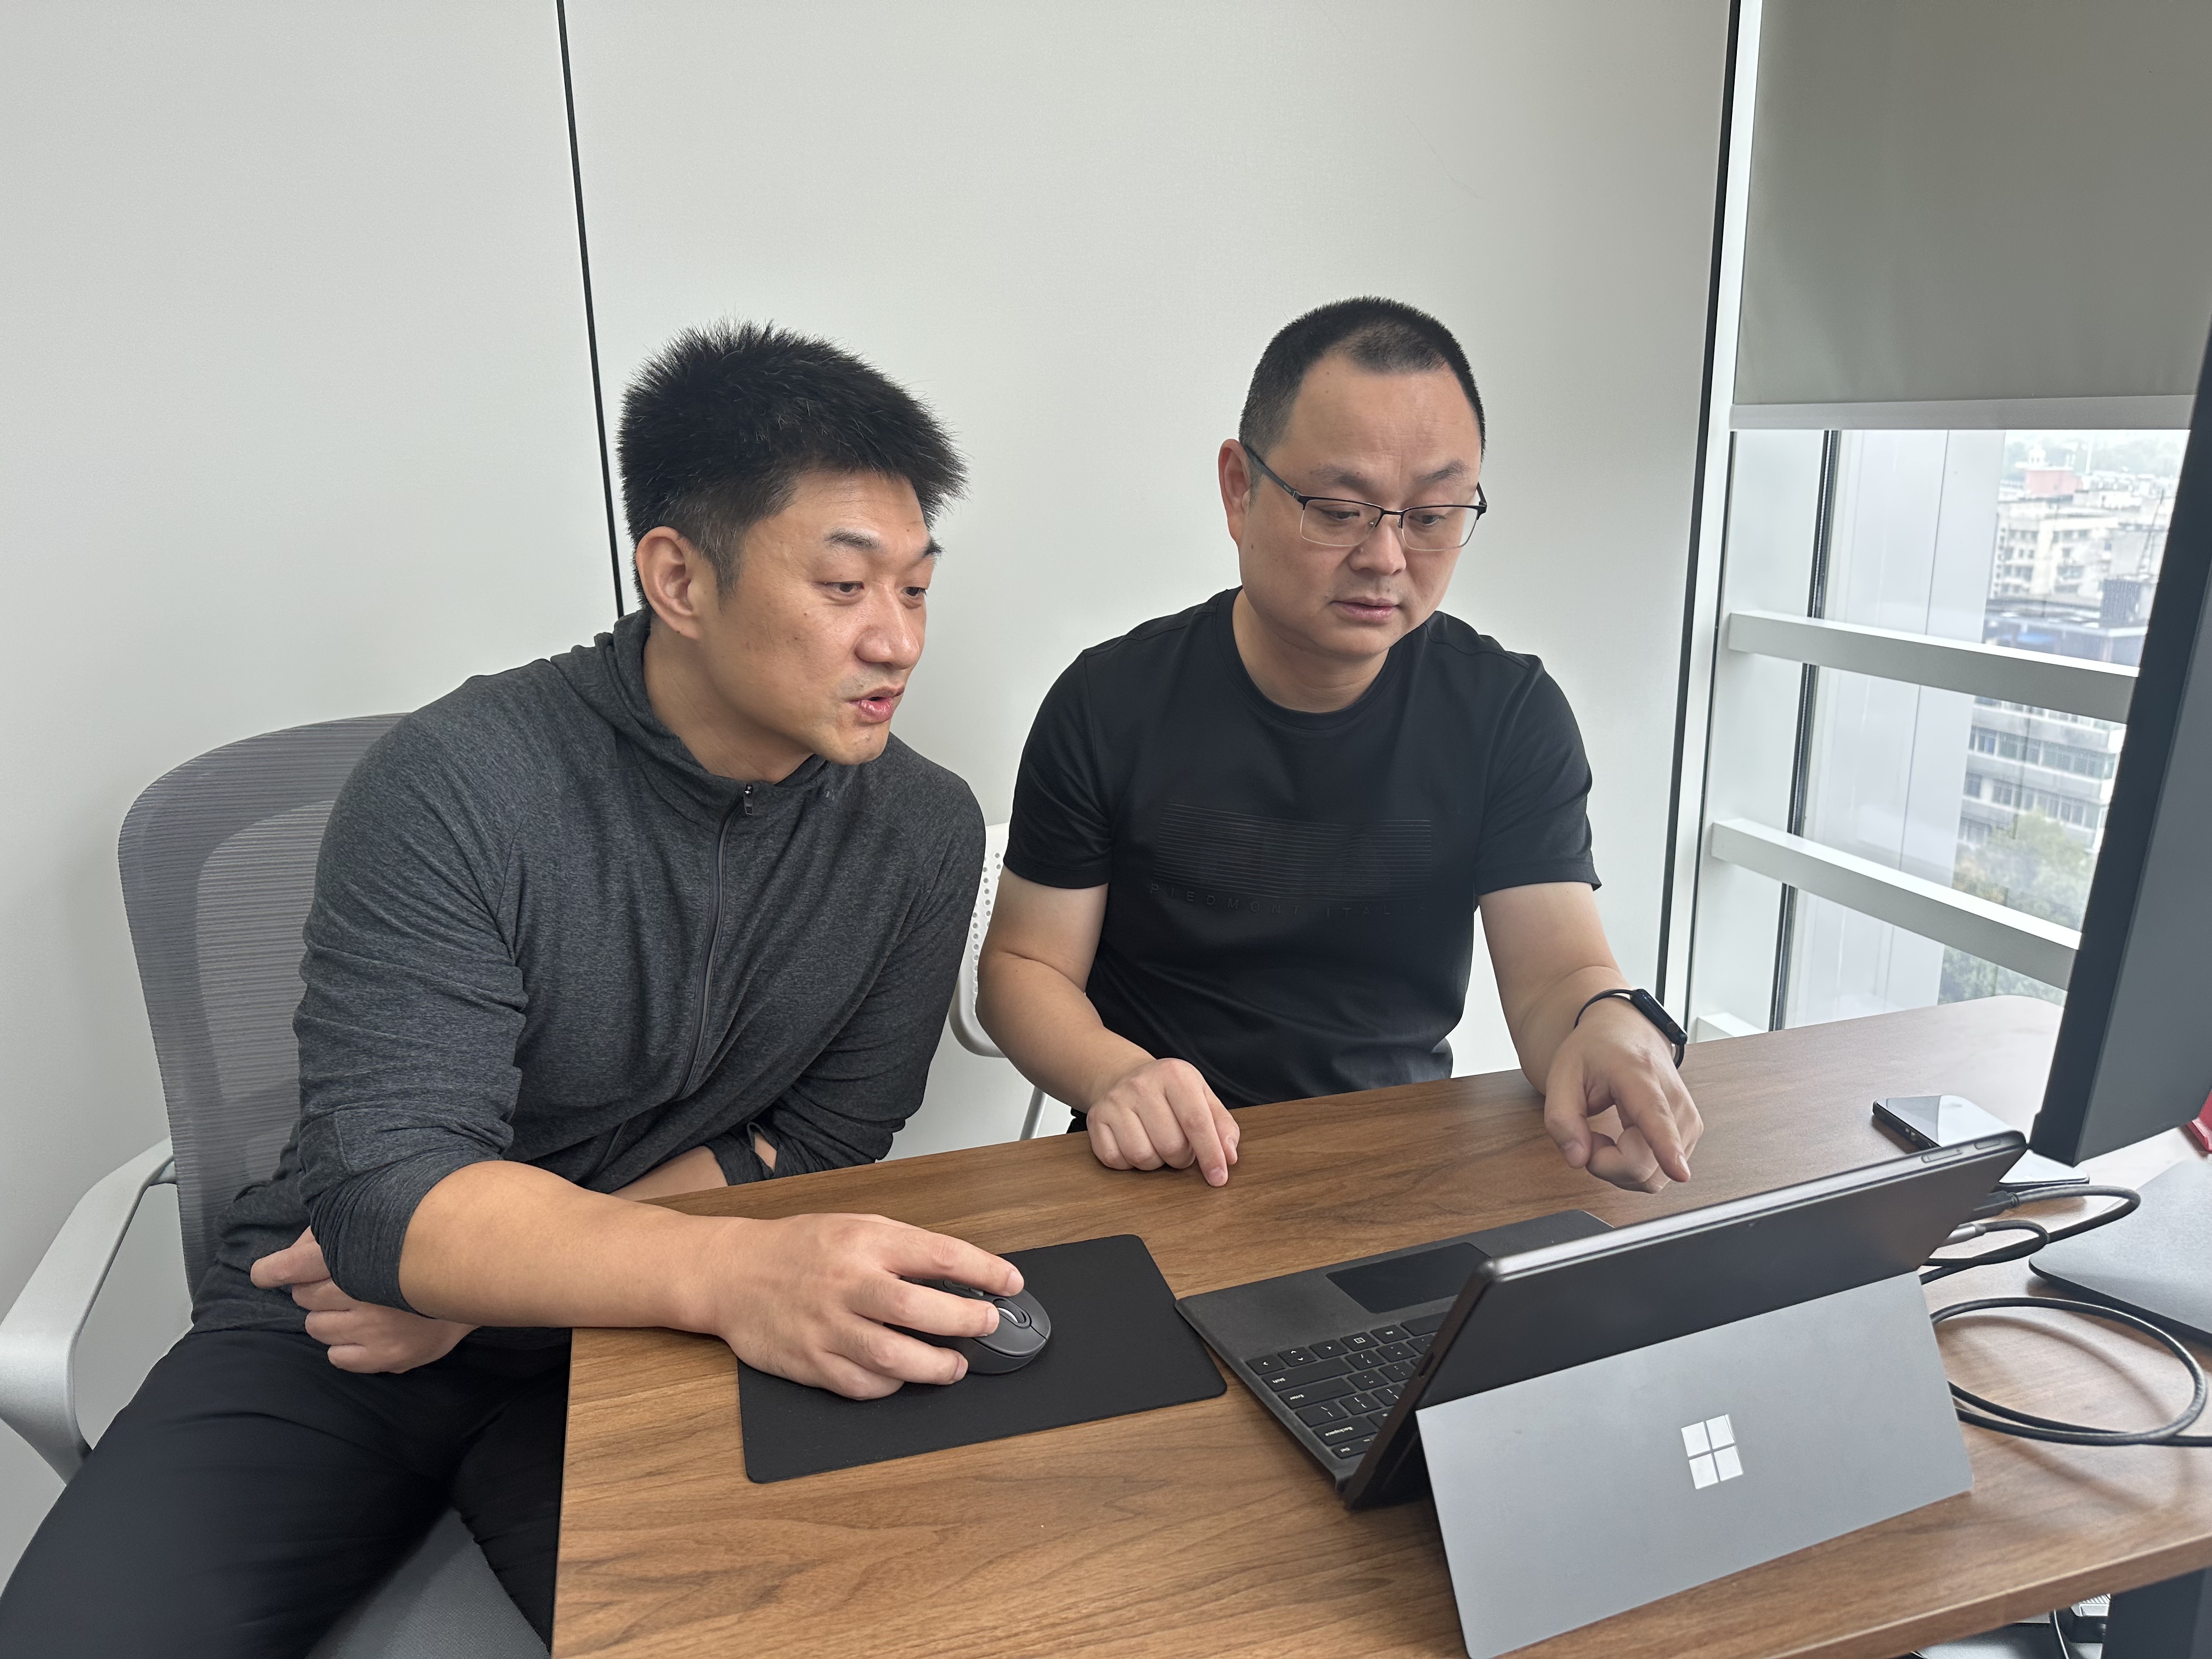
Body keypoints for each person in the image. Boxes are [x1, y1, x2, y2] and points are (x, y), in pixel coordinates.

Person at [0, 323, 1019, 1657]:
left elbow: (825, 1137)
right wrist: (712, 1268)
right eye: (844, 588)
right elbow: (386, 1196)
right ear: (679, 577)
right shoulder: (460, 784)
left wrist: (477, 1286)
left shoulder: (920, 833)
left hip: (623, 1329)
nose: (897, 641)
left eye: (918, 589)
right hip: (340, 1322)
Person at [977, 297, 1702, 1198]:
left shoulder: (1507, 713)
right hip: (1161, 1166)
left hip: (1400, 1166)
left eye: (1432, 515)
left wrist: (1607, 1027)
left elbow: (1559, 977)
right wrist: (1113, 1075)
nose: (1387, 557)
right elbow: (1025, 969)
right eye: (1341, 509)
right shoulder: (1108, 704)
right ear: (1239, 489)